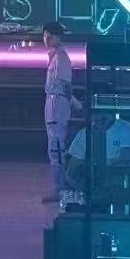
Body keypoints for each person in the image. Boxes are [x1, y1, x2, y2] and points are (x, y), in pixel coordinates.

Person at [43, 21, 80, 202]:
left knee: (56, 145)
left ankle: (59, 188)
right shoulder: (56, 56)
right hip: (54, 101)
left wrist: (75, 104)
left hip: (57, 103)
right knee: (54, 144)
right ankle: (59, 187)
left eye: (48, 35)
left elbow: (66, 85)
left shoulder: (61, 57)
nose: (46, 39)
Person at [64, 114, 130, 192]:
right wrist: (84, 190)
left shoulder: (125, 128)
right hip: (90, 190)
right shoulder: (84, 133)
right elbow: (71, 171)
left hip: (119, 189)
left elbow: (124, 162)